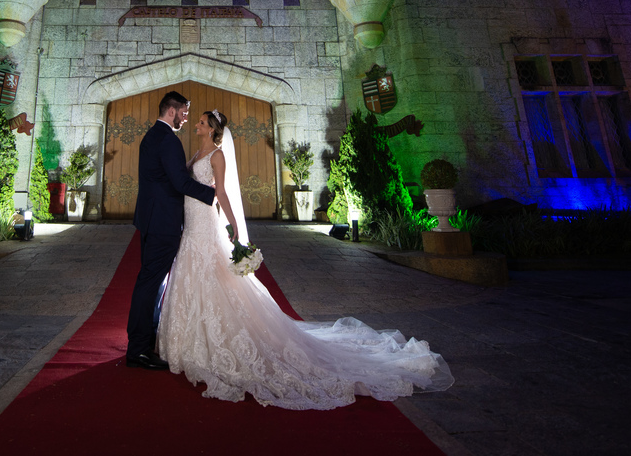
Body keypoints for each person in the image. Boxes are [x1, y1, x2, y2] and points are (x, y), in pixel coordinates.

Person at [157, 109, 454, 409]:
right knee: (193, 273)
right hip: (191, 222)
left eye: (202, 122)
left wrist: (233, 225)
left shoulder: (218, 156)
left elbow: (221, 191)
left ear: (211, 129)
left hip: (206, 222)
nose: (196, 124)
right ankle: (188, 338)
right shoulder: (197, 152)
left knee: (214, 275)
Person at [125, 91, 217, 370]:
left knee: (152, 281)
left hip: (151, 219)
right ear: (172, 111)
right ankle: (138, 349)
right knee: (150, 282)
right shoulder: (168, 140)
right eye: (185, 113)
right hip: (163, 223)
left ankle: (145, 340)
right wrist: (212, 195)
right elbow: (179, 183)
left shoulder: (152, 136)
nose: (187, 119)